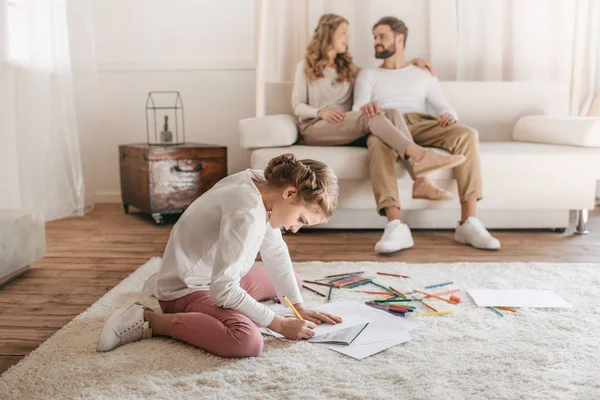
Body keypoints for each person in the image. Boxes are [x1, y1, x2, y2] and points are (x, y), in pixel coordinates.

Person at [96, 154, 342, 358]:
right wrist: (279, 324)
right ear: (290, 193)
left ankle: (164, 279)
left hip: (208, 274)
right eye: (300, 219)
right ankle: (149, 319)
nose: (296, 228)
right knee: (247, 340)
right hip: (188, 288)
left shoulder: (261, 184)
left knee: (292, 282)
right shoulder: (246, 212)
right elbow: (223, 290)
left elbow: (275, 251)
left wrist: (298, 308)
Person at [353, 16, 501, 252]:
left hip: (421, 122)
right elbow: (356, 109)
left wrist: (448, 115)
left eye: (382, 36)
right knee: (376, 142)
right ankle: (395, 225)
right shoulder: (368, 74)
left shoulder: (422, 73)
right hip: (388, 125)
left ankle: (469, 222)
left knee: (468, 134)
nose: (376, 42)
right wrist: (368, 109)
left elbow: (444, 105)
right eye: (374, 38)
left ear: (399, 39)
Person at [292, 13, 466, 203]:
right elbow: (297, 105)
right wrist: (321, 112)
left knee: (390, 112)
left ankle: (421, 181)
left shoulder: (350, 69)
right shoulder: (305, 66)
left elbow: (387, 72)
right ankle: (421, 155)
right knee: (370, 115)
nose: (347, 38)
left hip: (343, 125)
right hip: (315, 128)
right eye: (343, 33)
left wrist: (415, 62)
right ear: (328, 34)